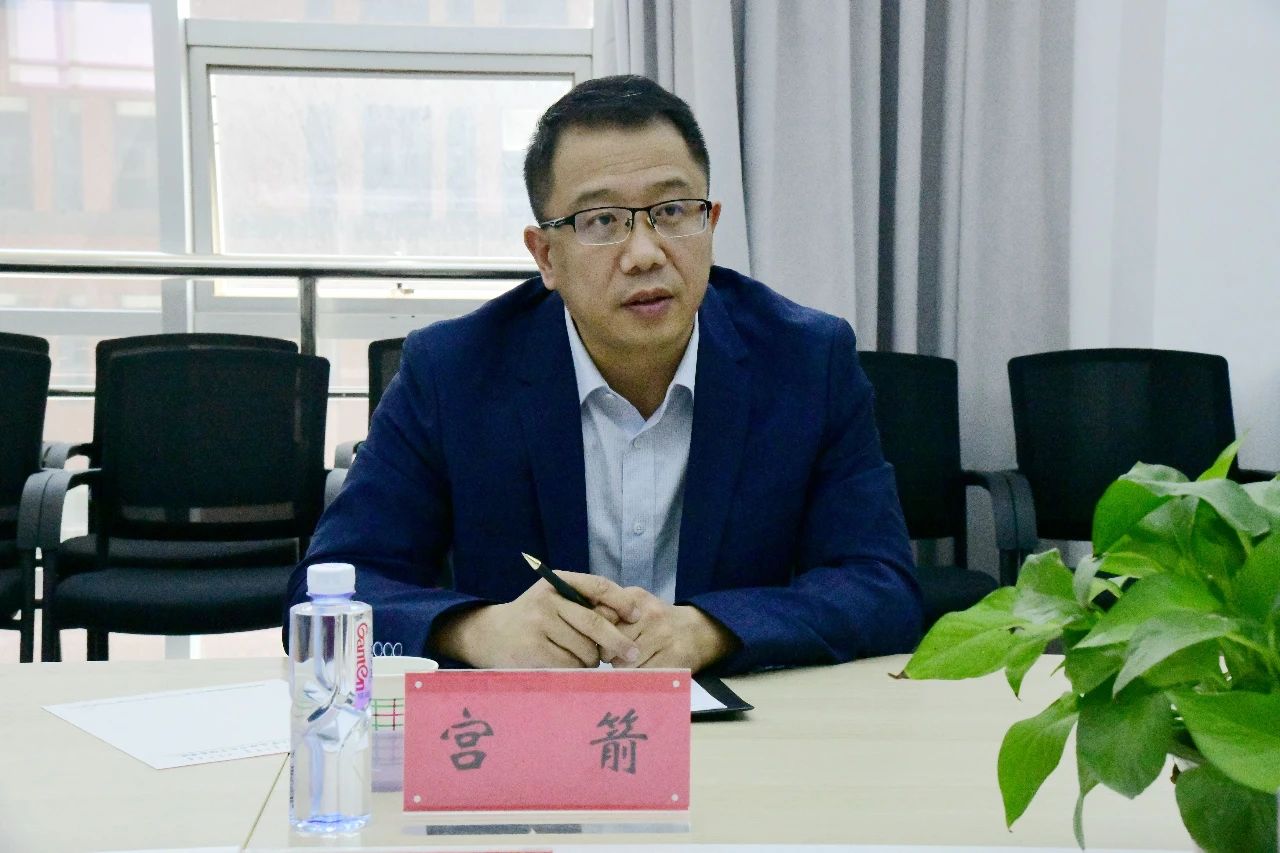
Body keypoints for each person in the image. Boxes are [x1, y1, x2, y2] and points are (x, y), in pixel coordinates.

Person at [287, 74, 921, 675]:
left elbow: (881, 585)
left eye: (673, 211)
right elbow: (323, 598)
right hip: (533, 727)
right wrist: (478, 630)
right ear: (546, 255)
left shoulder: (807, 361)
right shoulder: (452, 372)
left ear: (711, 223)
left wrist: (714, 630)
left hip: (738, 719)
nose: (645, 253)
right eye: (601, 222)